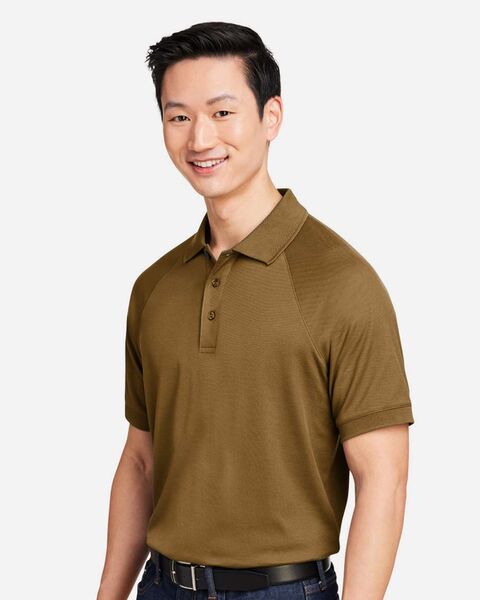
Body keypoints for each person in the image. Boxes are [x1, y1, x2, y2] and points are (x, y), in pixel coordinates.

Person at [96, 21, 415, 600]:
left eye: (222, 113)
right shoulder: (154, 288)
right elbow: (141, 461)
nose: (200, 139)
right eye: (178, 116)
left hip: (283, 590)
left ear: (271, 117)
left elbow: (383, 481)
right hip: (162, 585)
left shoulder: (343, 282)